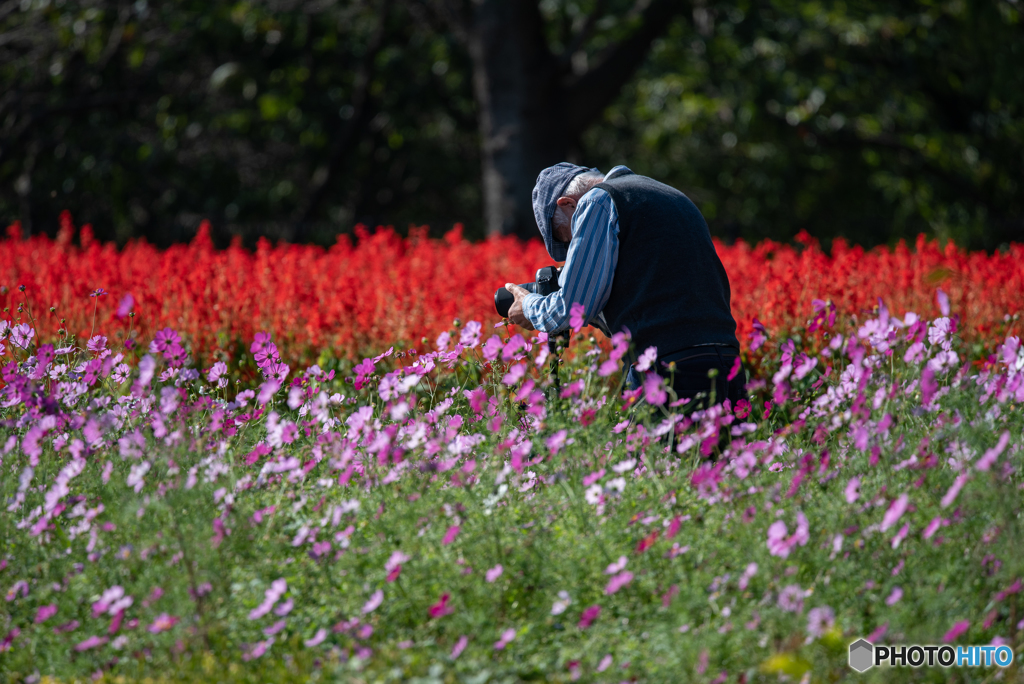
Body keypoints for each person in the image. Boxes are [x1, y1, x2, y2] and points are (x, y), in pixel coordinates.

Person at [503, 163, 745, 408]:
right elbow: (654, 293)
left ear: (567, 204)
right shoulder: (668, 194)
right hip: (726, 359)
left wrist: (530, 306)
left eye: (567, 236)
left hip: (668, 368)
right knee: (721, 447)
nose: (571, 249)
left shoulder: (598, 201)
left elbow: (571, 308)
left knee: (665, 447)